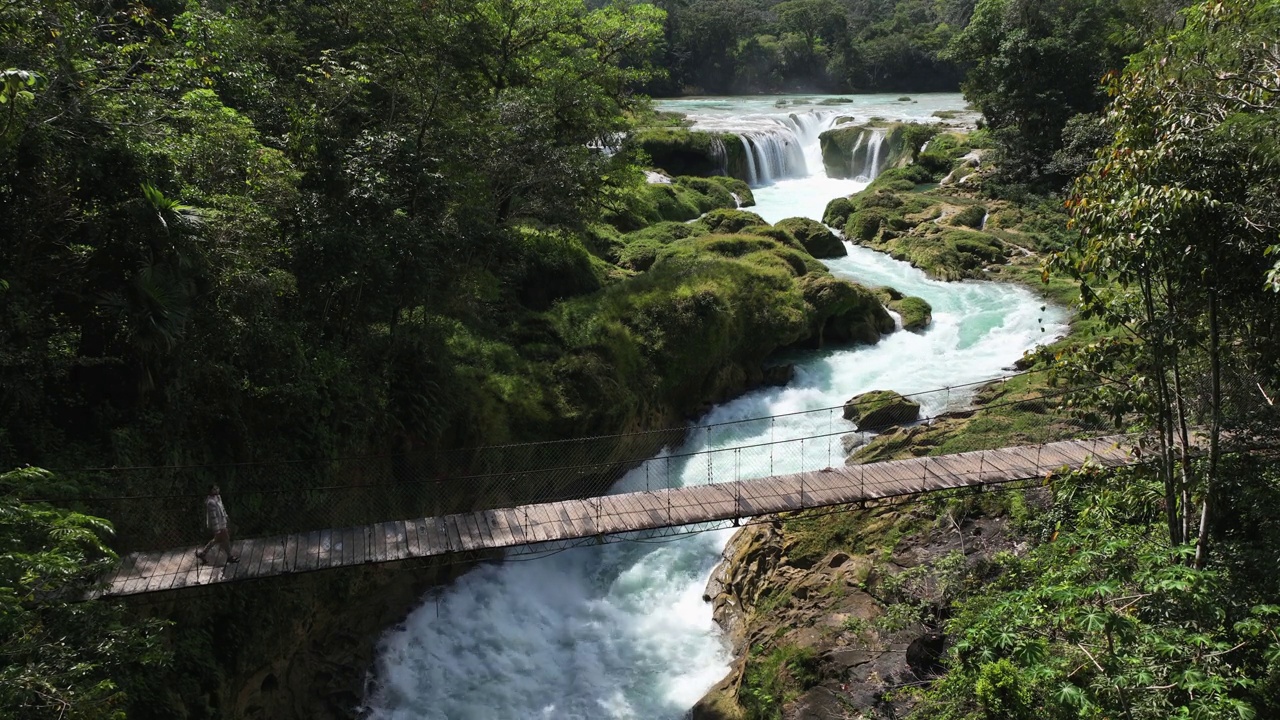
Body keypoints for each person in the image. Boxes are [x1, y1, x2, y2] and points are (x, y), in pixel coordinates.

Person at [197, 484, 239, 563]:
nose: (216, 490)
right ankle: (230, 557)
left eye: (217, 488)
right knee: (226, 539)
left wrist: (226, 517)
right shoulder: (210, 503)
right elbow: (213, 518)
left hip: (222, 523)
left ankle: (203, 553)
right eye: (214, 489)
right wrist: (217, 529)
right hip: (219, 525)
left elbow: (222, 509)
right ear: (210, 491)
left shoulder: (218, 498)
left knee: (216, 540)